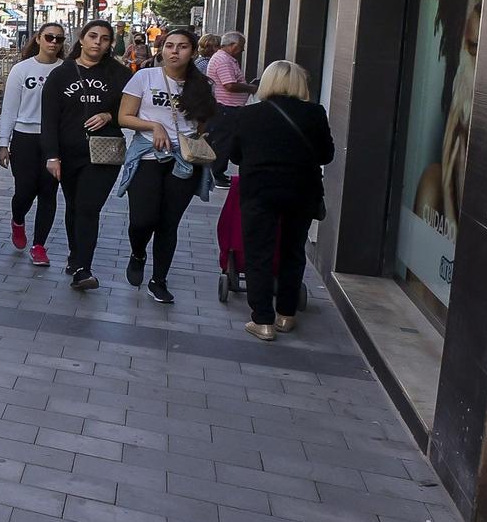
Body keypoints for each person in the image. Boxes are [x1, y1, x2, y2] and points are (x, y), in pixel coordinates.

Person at [214, 61, 335, 340]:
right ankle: (286, 315)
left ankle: (263, 320)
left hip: (259, 190)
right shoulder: (315, 113)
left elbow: (234, 155)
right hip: (301, 191)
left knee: (259, 253)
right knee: (293, 251)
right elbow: (326, 155)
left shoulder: (249, 115)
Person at [117, 27, 218, 303]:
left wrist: (191, 138)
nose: (175, 51)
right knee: (142, 220)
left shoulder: (201, 85)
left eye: (182, 46)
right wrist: (154, 125)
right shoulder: (144, 77)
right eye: (169, 45)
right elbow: (124, 117)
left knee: (167, 223)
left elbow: (203, 123)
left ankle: (158, 279)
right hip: (148, 156)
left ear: (193, 51)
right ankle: (138, 253)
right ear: (161, 49)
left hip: (183, 161)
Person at [42, 19, 129, 292]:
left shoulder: (120, 74)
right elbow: (49, 119)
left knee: (88, 208)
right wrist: (52, 155)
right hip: (69, 154)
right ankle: (74, 253)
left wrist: (109, 115)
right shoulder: (61, 73)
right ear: (81, 39)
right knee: (74, 205)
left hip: (104, 153)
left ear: (109, 44)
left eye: (104, 39)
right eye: (93, 36)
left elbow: (134, 111)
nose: (97, 42)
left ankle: (83, 268)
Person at [0, 23, 66, 266]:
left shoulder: (66, 70)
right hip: (25, 137)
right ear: (38, 39)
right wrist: (3, 143)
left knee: (48, 193)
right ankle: (18, 219)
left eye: (59, 39)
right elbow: (9, 108)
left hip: (55, 140)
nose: (54, 43)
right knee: (25, 191)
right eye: (49, 37)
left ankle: (39, 246)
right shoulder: (21, 70)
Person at [206, 32, 253, 109]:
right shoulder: (224, 60)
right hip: (227, 107)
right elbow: (230, 86)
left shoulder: (224, 58)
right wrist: (250, 88)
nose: (243, 49)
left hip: (228, 106)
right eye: (241, 46)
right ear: (233, 45)